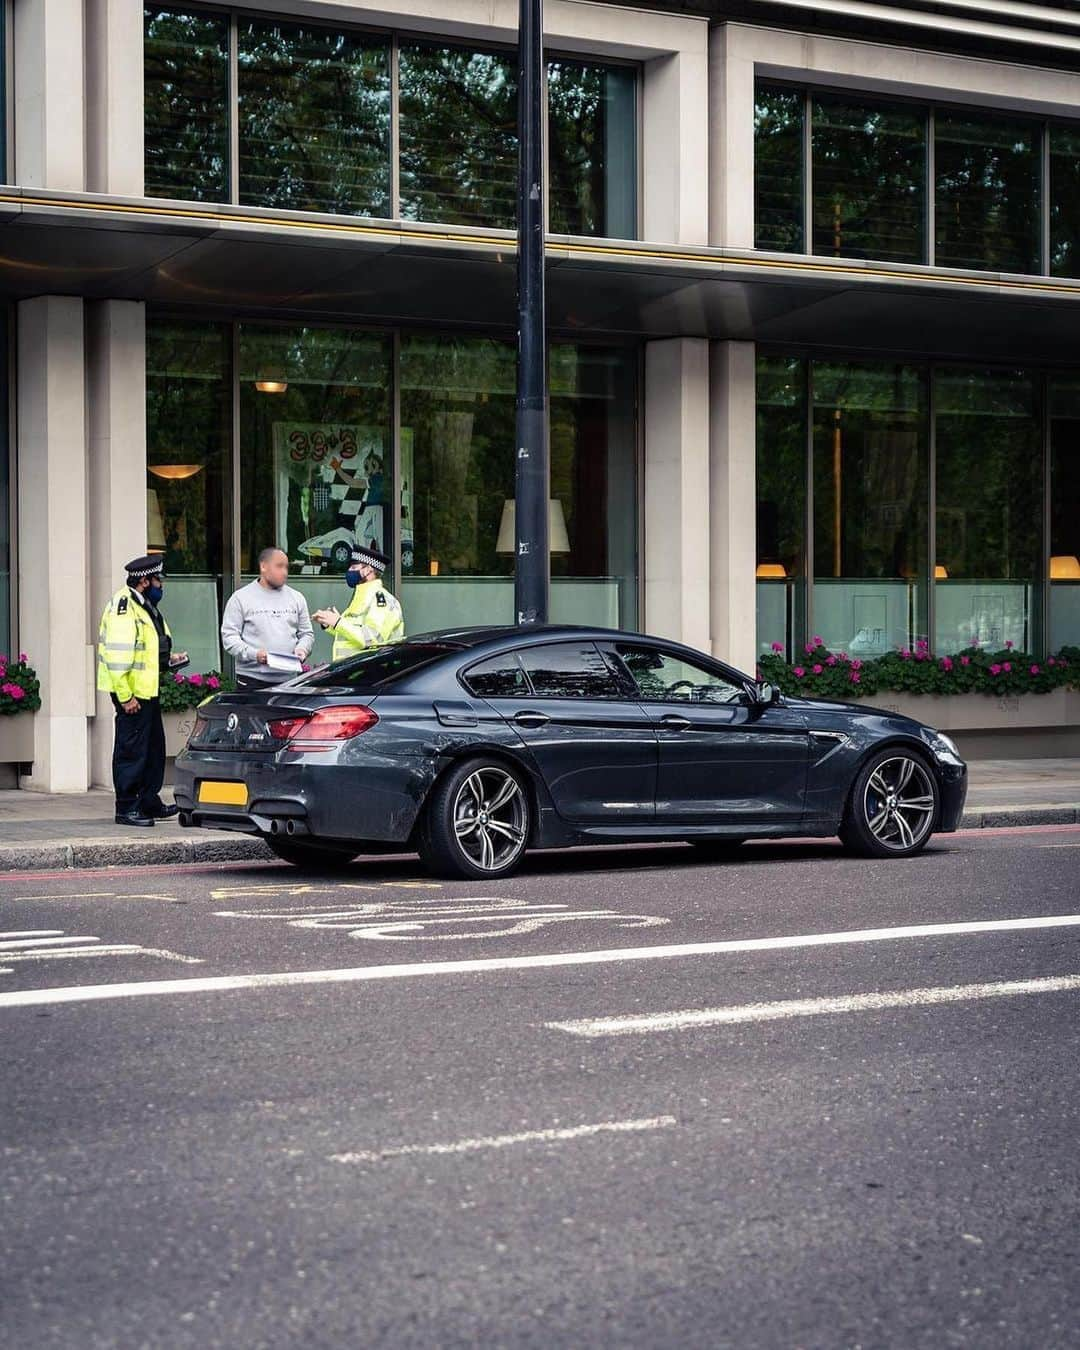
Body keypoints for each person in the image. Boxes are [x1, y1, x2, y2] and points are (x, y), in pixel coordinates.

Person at [97, 556, 187, 828]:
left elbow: (147, 648)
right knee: (131, 751)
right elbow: (117, 656)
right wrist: (125, 696)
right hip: (132, 693)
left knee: (153, 749)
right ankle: (127, 807)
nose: (161, 586)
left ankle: (148, 800)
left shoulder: (145, 606)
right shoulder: (124, 607)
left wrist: (170, 660)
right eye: (158, 580)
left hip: (147, 691)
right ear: (144, 581)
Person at [221, 547, 314, 691]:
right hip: (251, 680)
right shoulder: (241, 598)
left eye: (286, 567)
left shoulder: (297, 598)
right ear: (263, 566)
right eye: (279, 566)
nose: (285, 572)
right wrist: (254, 654)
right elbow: (229, 638)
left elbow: (307, 634)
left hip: (289, 681)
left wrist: (302, 649)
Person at [313, 544, 404, 661]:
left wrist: (338, 622)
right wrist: (329, 623)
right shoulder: (361, 596)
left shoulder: (381, 599)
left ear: (369, 570)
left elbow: (373, 639)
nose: (349, 571)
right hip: (353, 671)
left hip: (373, 673)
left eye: (354, 567)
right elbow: (351, 634)